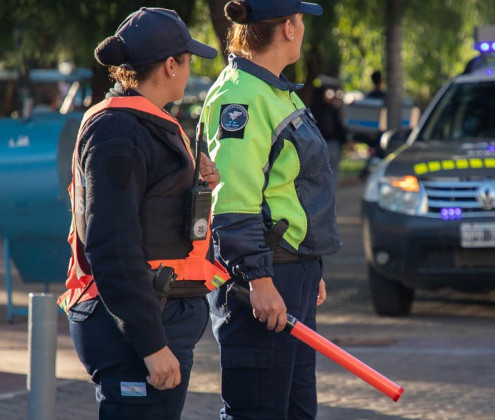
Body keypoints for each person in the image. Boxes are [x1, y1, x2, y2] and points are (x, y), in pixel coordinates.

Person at [57, 7, 224, 420]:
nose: (188, 72)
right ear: (170, 66)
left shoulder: (143, 123)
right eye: (187, 62)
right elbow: (112, 245)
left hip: (154, 317)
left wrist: (196, 188)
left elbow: (151, 212)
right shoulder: (118, 132)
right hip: (132, 333)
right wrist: (150, 343)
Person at [199, 0, 341, 418]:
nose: (302, 28)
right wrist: (259, 279)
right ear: (288, 29)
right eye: (300, 20)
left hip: (289, 273)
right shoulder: (240, 96)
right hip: (263, 279)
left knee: (295, 409)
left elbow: (293, 188)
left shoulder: (272, 90)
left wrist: (309, 262)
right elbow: (232, 202)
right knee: (257, 410)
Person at [310, 83, 347, 185]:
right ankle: (331, 193)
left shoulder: (311, 110)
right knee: (333, 171)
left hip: (317, 145)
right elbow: (339, 127)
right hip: (333, 144)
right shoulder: (331, 109)